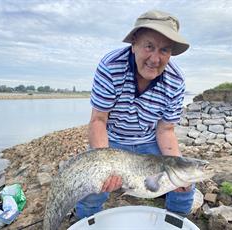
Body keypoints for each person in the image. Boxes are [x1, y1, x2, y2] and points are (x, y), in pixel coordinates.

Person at [75, 10, 195, 219]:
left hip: (149, 141)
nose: (155, 59)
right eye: (149, 46)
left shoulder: (175, 81)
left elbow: (166, 129)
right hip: (112, 140)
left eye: (164, 50)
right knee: (94, 187)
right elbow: (98, 120)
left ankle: (176, 221)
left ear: (171, 53)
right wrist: (106, 165)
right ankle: (84, 220)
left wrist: (177, 173)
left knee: (185, 186)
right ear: (134, 43)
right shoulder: (111, 67)